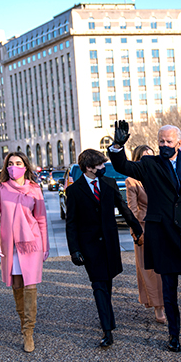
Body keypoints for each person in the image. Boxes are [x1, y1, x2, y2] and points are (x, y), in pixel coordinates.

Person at [109, 121, 181, 357]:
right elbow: (123, 166)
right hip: (163, 236)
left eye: (168, 142)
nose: (164, 145)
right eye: (160, 141)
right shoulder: (150, 164)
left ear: (179, 143)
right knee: (169, 289)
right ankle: (174, 334)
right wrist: (118, 146)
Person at [67, 148, 143, 347]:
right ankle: (107, 330)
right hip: (89, 246)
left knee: (106, 284)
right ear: (89, 168)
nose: (103, 167)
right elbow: (71, 223)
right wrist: (74, 250)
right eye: (99, 165)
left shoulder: (109, 184)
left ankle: (106, 317)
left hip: (109, 244)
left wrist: (137, 230)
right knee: (99, 286)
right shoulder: (74, 191)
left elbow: (124, 209)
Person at [0, 152, 49, 353]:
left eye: (18, 163)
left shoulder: (34, 188)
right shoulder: (0, 189)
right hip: (10, 246)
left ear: (25, 166)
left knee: (31, 286)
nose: (14, 166)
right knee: (17, 285)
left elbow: (41, 219)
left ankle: (28, 332)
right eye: (10, 163)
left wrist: (45, 245)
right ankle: (23, 323)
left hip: (31, 244)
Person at [125, 145, 166, 324]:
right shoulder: (132, 181)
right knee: (149, 270)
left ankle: (165, 302)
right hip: (145, 227)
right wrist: (136, 232)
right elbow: (131, 210)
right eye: (144, 157)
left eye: (151, 155)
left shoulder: (162, 175)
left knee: (165, 268)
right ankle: (158, 307)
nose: (149, 159)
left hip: (164, 227)